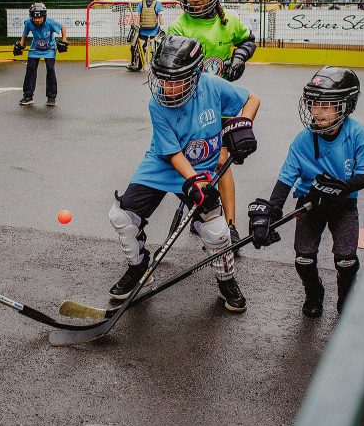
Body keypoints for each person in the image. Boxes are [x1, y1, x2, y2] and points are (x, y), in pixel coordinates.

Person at [107, 34, 260, 312]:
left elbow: (252, 99)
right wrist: (194, 182)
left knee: (216, 231)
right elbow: (173, 153)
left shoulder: (212, 86)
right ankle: (139, 268)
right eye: (163, 79)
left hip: (200, 166)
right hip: (163, 164)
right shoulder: (157, 104)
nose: (167, 87)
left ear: (195, 75)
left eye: (175, 80)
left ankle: (226, 280)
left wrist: (242, 127)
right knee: (122, 217)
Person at [247, 67, 364, 317]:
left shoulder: (357, 133)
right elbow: (285, 179)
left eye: (326, 106)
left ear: (346, 106)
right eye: (314, 105)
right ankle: (314, 292)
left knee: (346, 259)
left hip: (343, 204)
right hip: (310, 203)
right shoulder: (302, 140)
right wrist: (272, 212)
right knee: (304, 258)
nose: (317, 112)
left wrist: (344, 187)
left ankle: (346, 296)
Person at [168, 0, 258, 248]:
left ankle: (230, 226)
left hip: (221, 103)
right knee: (193, 160)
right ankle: (203, 213)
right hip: (190, 105)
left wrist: (239, 58)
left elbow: (248, 41)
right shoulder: (179, 25)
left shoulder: (228, 20)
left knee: (221, 161)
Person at [14, 3, 67, 107]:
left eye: (39, 18)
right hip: (35, 48)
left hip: (49, 49)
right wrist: (20, 45)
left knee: (50, 69)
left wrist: (63, 41)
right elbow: (24, 34)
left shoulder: (50, 22)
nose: (37, 20)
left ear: (44, 16)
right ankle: (28, 96)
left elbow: (63, 27)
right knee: (30, 69)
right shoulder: (29, 23)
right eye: (35, 18)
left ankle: (51, 97)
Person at [128, 0, 167, 72]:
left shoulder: (158, 4)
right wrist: (136, 25)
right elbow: (137, 15)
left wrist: (162, 27)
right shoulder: (141, 3)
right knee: (135, 47)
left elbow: (161, 16)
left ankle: (156, 66)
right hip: (142, 31)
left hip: (154, 31)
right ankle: (135, 64)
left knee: (156, 50)